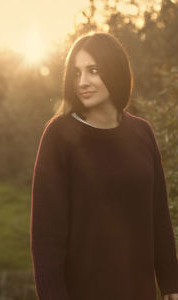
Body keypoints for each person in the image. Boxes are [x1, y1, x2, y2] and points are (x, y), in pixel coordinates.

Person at [30, 32, 178, 300]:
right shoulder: (59, 136)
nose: (82, 82)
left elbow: (159, 216)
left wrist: (170, 283)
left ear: (114, 71)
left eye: (93, 71)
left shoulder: (142, 132)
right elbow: (45, 240)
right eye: (76, 74)